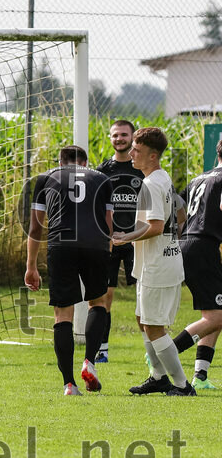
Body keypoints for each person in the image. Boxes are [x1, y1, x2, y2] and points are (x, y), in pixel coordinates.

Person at [25, 145, 113, 396]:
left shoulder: (46, 179)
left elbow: (35, 228)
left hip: (61, 245)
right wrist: (105, 251)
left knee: (63, 314)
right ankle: (90, 362)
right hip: (95, 245)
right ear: (85, 163)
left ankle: (69, 384)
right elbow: (108, 225)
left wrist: (31, 266)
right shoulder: (102, 179)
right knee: (98, 302)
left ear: (60, 163)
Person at [113, 127, 193, 396]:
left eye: (137, 150)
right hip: (155, 262)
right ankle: (158, 376)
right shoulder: (160, 177)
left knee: (154, 327)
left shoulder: (151, 183)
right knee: (142, 319)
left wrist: (126, 237)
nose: (131, 153)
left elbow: (157, 227)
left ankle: (182, 385)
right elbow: (177, 217)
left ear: (153, 155)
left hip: (158, 265)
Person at [169, 138, 222, 390]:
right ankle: (166, 353)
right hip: (205, 247)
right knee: (219, 314)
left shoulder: (199, 178)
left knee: (213, 313)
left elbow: (178, 209)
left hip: (188, 244)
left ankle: (200, 377)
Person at [93, 119, 142, 363]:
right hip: (110, 242)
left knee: (144, 296)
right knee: (105, 296)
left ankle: (151, 349)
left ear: (133, 137)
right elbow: (94, 208)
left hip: (138, 241)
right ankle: (102, 349)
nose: (119, 139)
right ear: (110, 138)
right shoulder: (101, 172)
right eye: (115, 135)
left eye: (124, 135)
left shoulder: (142, 169)